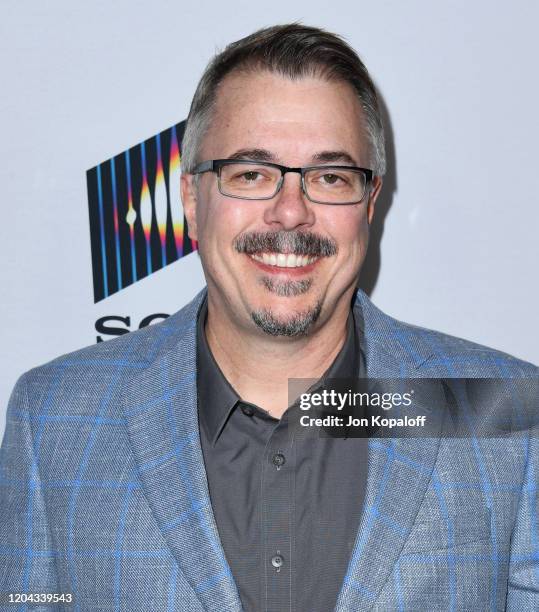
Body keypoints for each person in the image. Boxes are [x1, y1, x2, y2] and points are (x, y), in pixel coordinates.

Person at [0, 23, 537, 612]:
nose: (290, 212)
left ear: (370, 204)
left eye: (330, 177)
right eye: (251, 173)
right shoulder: (54, 419)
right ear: (190, 198)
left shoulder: (505, 417)